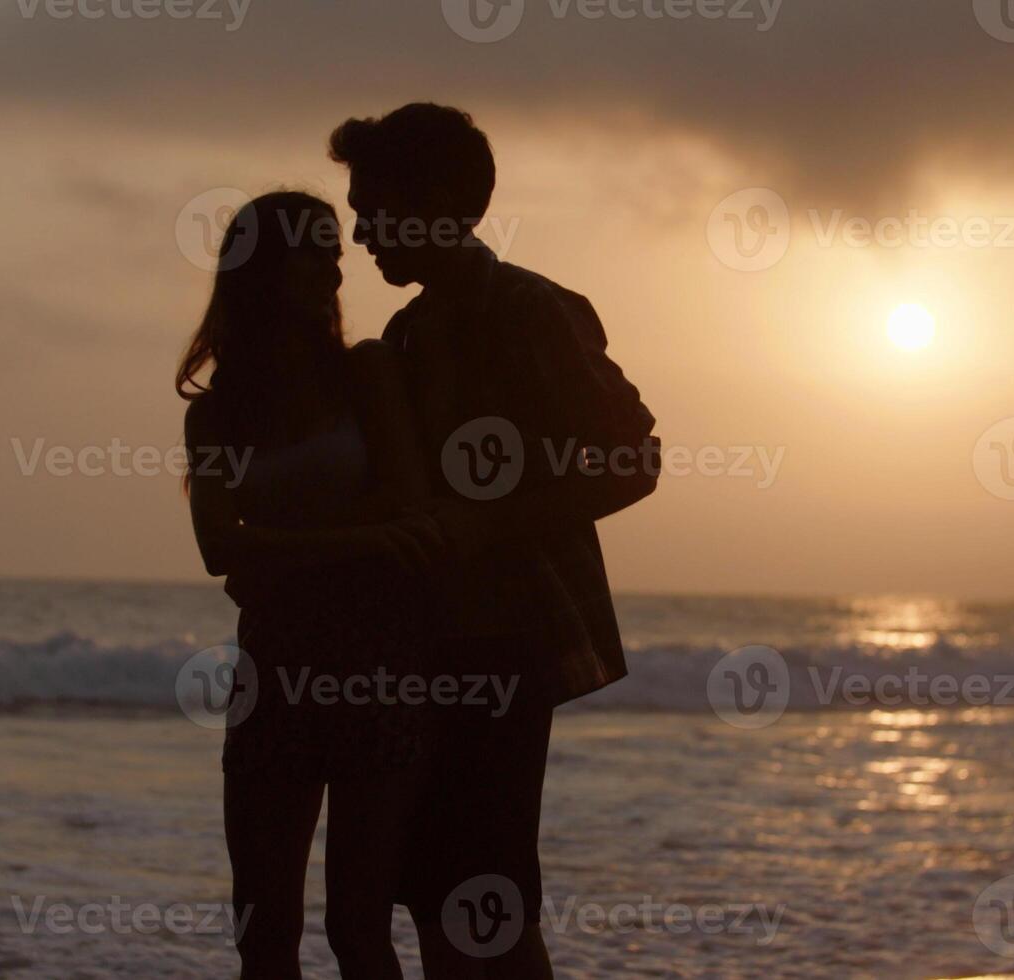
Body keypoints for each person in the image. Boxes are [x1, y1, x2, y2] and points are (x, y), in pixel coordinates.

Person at [329, 104, 659, 979]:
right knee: (441, 889)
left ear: (440, 202)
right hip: (425, 649)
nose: (360, 232)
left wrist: (486, 523)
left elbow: (634, 459)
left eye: (373, 207)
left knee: (485, 894)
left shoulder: (533, 311)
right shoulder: (406, 333)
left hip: (505, 646)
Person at [178, 191, 445, 980]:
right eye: (316, 249)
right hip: (274, 676)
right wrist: (362, 541)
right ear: (263, 268)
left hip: (378, 668)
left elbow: (412, 515)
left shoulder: (366, 374)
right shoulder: (217, 415)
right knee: (264, 933)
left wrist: (279, 554)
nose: (337, 267)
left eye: (337, 249)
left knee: (358, 929)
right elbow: (220, 550)